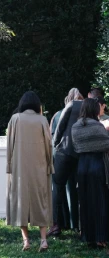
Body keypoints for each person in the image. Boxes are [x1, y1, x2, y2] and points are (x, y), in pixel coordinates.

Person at [6, 91, 52, 252]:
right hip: (39, 167)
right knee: (41, 201)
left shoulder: (15, 119)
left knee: (21, 202)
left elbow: (9, 145)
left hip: (19, 168)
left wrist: (9, 166)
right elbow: (49, 144)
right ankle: (43, 240)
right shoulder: (42, 120)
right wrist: (50, 165)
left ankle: (26, 241)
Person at [72, 97, 109, 248]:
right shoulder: (97, 126)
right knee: (100, 201)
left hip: (82, 166)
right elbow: (106, 144)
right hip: (97, 164)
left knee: (85, 201)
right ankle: (100, 237)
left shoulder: (75, 126)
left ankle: (88, 236)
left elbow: (76, 147)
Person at [48, 90, 84, 237]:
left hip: (63, 151)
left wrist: (56, 145)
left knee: (57, 186)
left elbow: (57, 130)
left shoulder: (63, 111)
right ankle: (79, 225)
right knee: (78, 188)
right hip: (80, 152)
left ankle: (56, 224)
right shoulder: (87, 108)